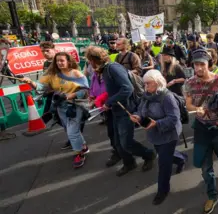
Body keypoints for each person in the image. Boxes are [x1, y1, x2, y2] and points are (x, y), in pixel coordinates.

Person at [183, 49, 218, 214]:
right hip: (201, 129)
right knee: (206, 168)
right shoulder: (189, 83)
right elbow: (188, 104)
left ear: (209, 64)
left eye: (202, 64)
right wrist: (196, 108)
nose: (198, 68)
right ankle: (212, 196)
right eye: (195, 65)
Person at [21, 52, 90, 168]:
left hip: (75, 106)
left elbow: (85, 90)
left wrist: (69, 96)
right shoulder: (52, 74)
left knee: (72, 132)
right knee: (70, 129)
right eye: (57, 61)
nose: (59, 63)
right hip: (60, 107)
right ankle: (83, 146)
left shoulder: (76, 73)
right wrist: (30, 82)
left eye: (62, 60)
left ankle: (80, 154)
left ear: (68, 61)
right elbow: (41, 87)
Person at [95, 47, 156, 177]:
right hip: (117, 109)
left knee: (126, 142)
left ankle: (149, 155)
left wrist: (109, 101)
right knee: (118, 142)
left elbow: (127, 89)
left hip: (126, 109)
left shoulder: (112, 68)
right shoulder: (106, 69)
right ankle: (129, 163)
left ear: (94, 60)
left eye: (89, 61)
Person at [131, 70, 186, 205]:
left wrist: (158, 123)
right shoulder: (146, 95)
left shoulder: (167, 97)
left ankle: (163, 190)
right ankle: (181, 159)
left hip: (168, 134)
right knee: (165, 155)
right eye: (144, 84)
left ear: (157, 82)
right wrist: (137, 116)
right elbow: (141, 109)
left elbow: (174, 118)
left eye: (148, 84)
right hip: (154, 134)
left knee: (163, 163)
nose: (145, 87)